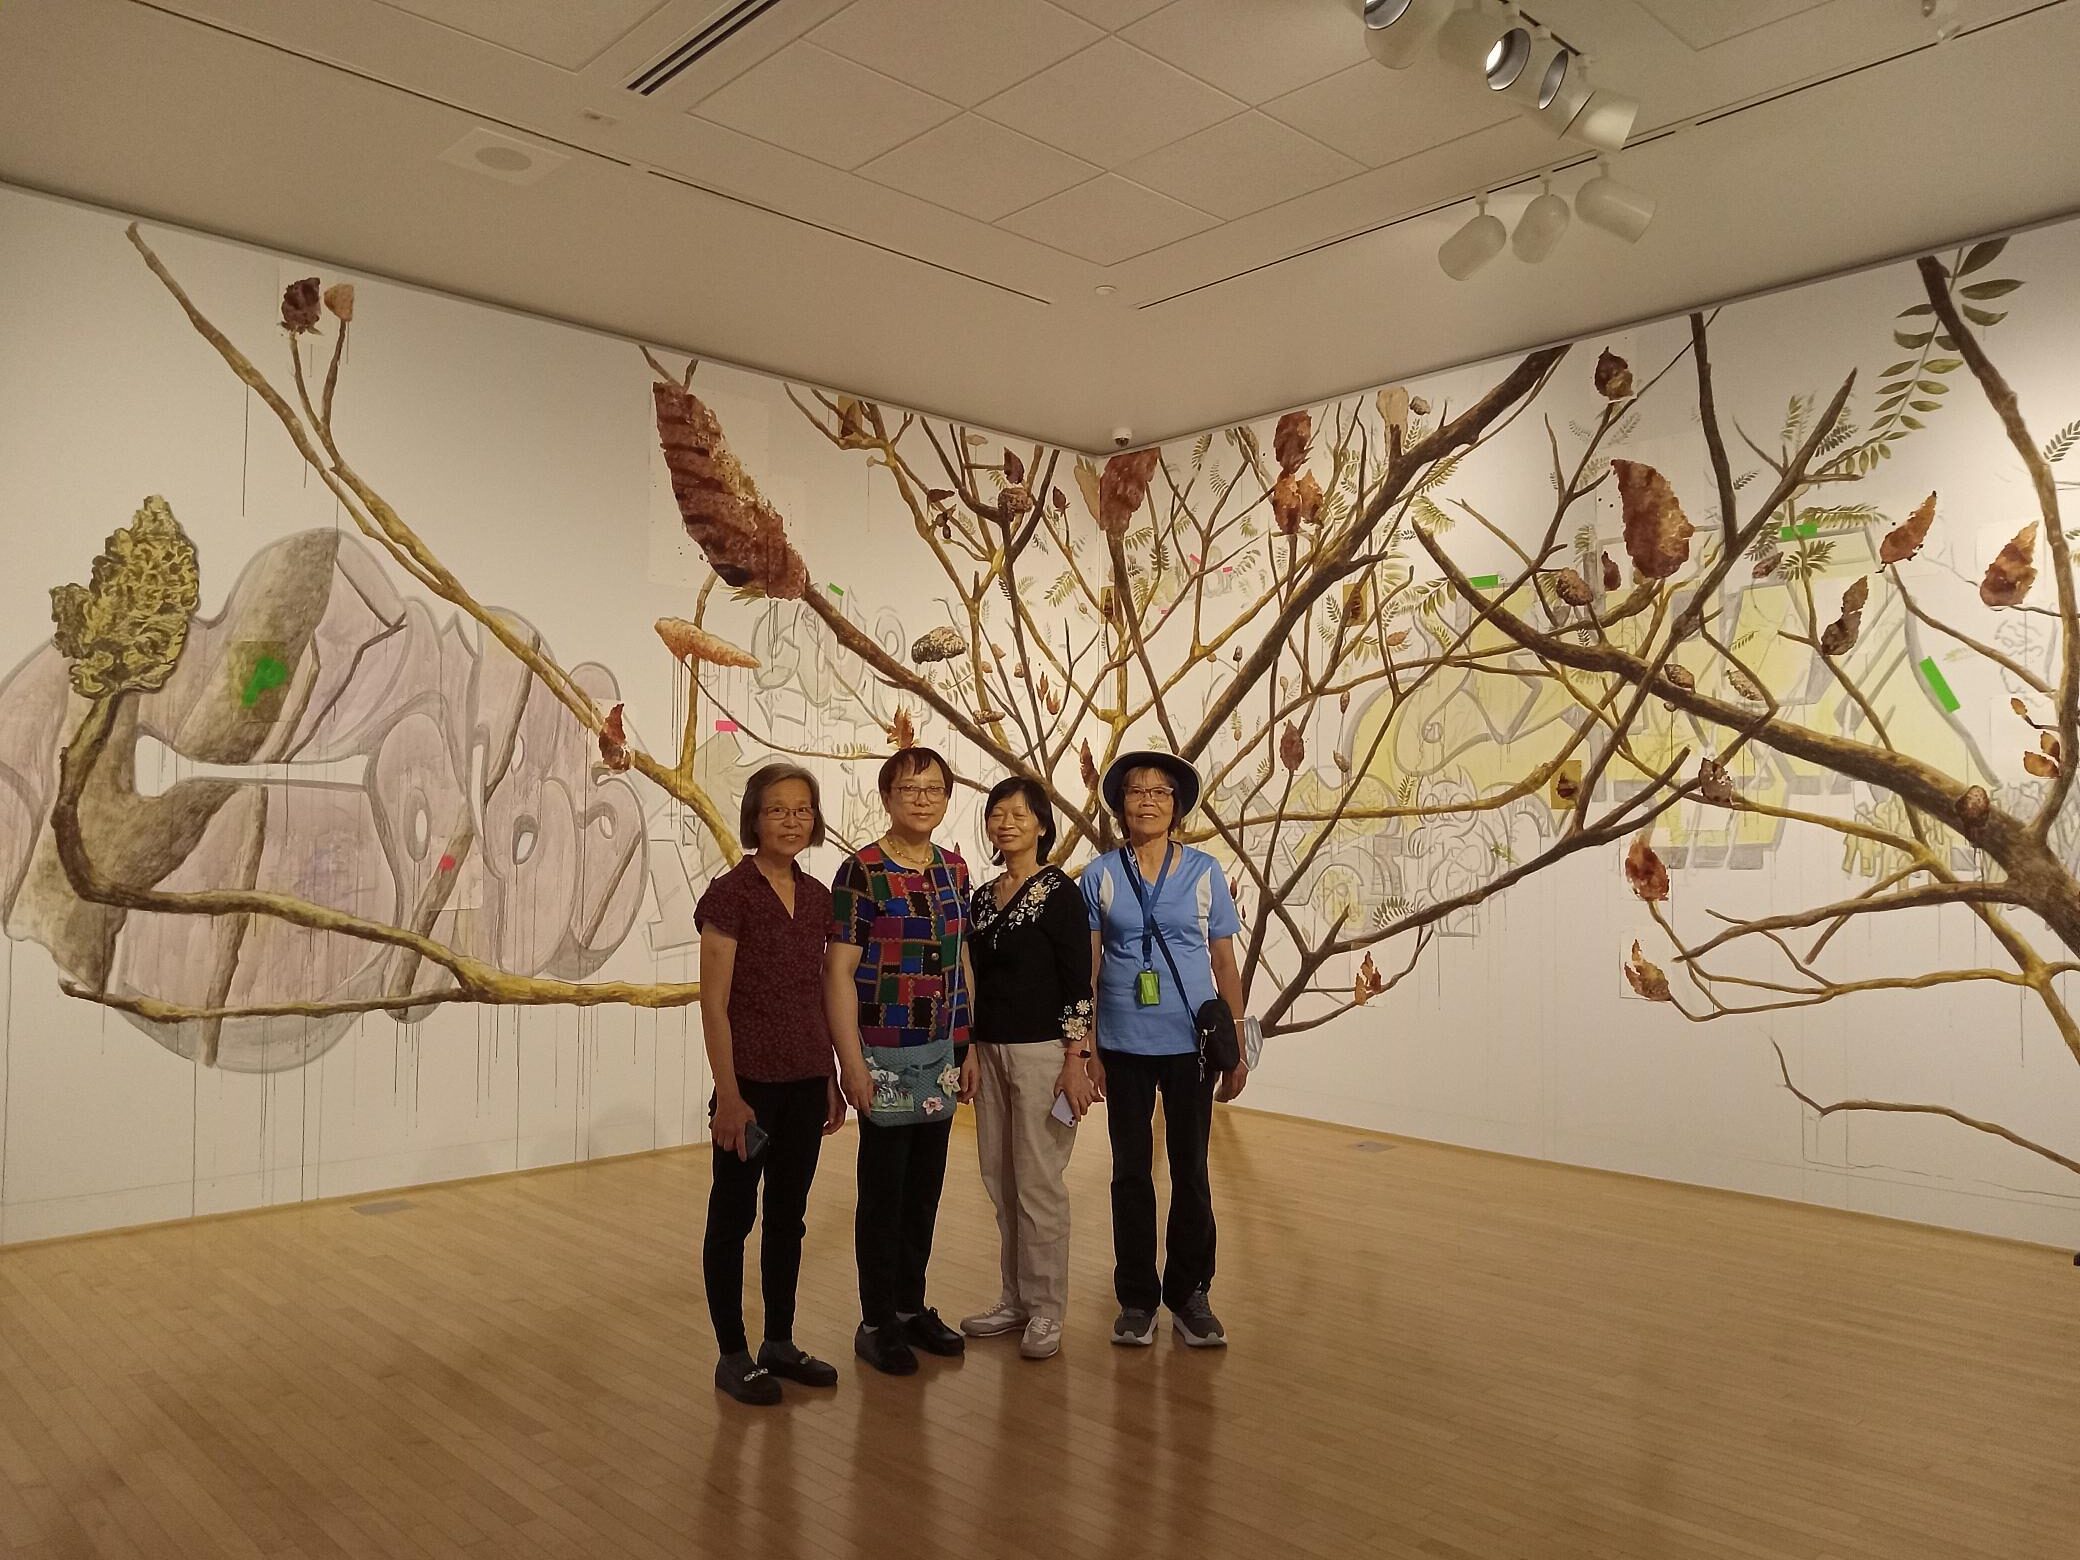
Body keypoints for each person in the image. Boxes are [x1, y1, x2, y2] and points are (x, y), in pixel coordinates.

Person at [1084, 750, 1249, 1349]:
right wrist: (1087, 1049)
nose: (1148, 800)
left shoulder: (1205, 872)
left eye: (1160, 791)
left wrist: (1238, 1048)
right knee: (1129, 1173)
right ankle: (1135, 1298)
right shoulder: (1099, 875)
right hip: (1123, 1043)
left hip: (1191, 1047)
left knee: (1191, 1169)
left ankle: (1188, 1294)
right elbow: (1091, 968)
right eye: (1135, 791)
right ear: (1121, 805)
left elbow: (1225, 962)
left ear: (1176, 805)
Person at [695, 763, 848, 1406]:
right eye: (778, 809)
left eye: (803, 810)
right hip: (750, 1085)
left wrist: (833, 1078)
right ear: (755, 817)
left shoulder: (818, 898)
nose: (792, 820)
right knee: (733, 1217)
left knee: (789, 1218)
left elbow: (818, 990)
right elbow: (713, 1002)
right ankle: (733, 1353)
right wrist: (728, 1096)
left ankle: (778, 1342)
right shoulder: (731, 894)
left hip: (806, 1078)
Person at [824, 746, 979, 1376]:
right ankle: (876, 1319)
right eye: (909, 788)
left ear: (946, 799)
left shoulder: (955, 870)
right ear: (887, 797)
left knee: (926, 1186)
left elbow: (961, 961)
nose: (922, 798)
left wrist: (968, 1046)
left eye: (934, 789)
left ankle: (911, 1307)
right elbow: (837, 972)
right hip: (883, 1051)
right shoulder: (860, 872)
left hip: (940, 1050)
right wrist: (851, 1062)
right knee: (883, 1188)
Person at [959, 776, 1096, 1361]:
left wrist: (1076, 1058)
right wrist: (967, 1046)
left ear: (1042, 823)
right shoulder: (984, 897)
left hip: (1044, 1054)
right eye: (997, 814)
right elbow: (972, 980)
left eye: (1019, 813)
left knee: (1039, 1184)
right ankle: (1014, 1299)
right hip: (988, 1051)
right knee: (1000, 1179)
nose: (1006, 823)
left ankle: (1046, 1310)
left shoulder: (1061, 893)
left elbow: (1078, 983)